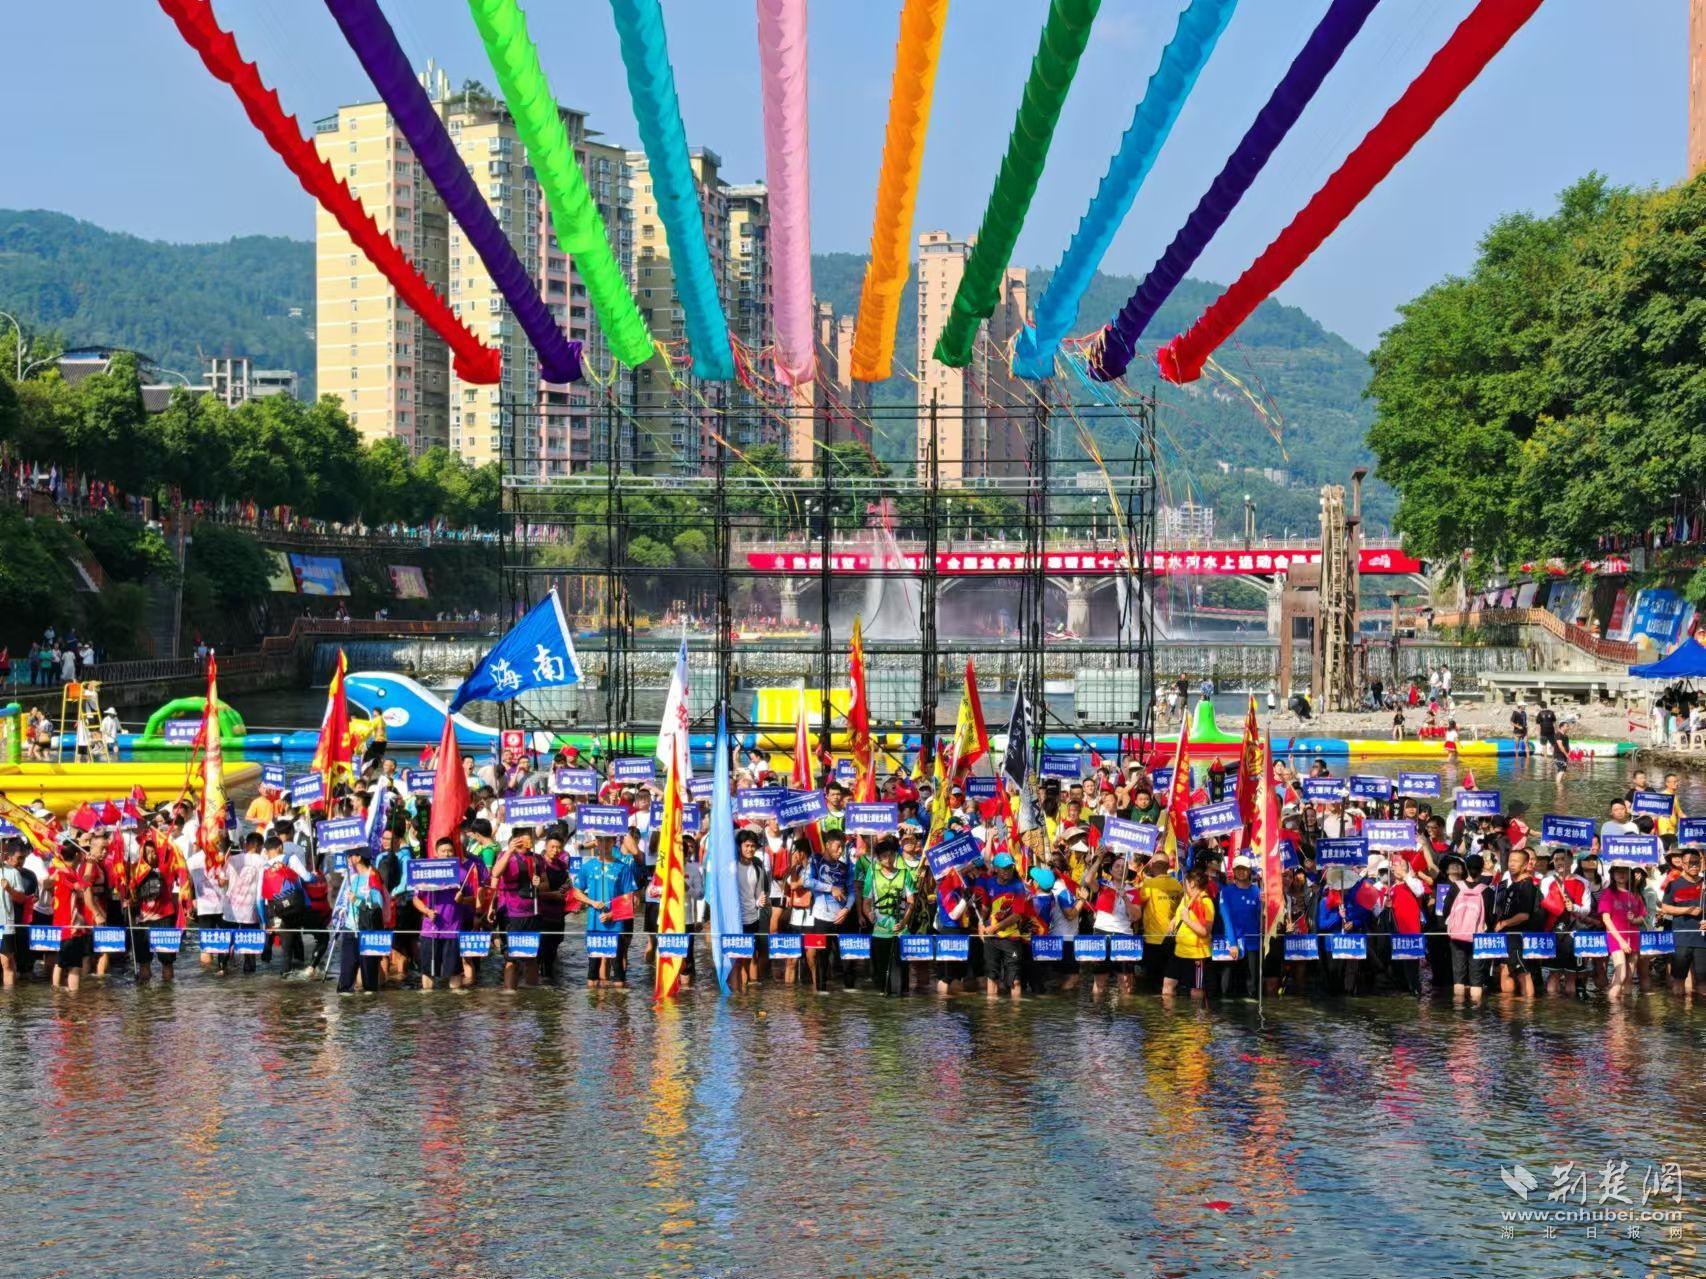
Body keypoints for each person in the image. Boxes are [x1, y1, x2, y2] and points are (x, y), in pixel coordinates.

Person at [573, 835, 636, 988]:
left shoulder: (623, 867)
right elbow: (576, 891)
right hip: (594, 926)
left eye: (608, 840)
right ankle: (596, 1009)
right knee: (592, 975)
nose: (604, 844)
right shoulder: (588, 866)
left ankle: (619, 1008)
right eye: (601, 840)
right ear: (596, 843)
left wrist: (613, 914)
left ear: (614, 842)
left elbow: (630, 899)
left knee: (618, 974)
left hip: (616, 927)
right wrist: (592, 902)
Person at [802, 830, 855, 993]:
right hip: (822, 917)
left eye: (843, 848)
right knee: (821, 958)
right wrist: (830, 888)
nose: (840, 851)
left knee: (847, 958)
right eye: (838, 846)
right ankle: (821, 993)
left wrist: (847, 909)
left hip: (842, 917)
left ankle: (850, 994)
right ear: (828, 844)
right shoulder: (815, 860)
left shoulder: (845, 867)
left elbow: (852, 891)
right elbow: (806, 881)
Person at [860, 836, 913, 996]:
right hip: (880, 931)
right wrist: (869, 915)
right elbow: (866, 902)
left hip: (900, 931)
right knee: (881, 972)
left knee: (902, 972)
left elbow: (911, 902)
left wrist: (904, 922)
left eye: (891, 855)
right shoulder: (873, 876)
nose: (888, 859)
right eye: (884, 856)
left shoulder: (905, 874)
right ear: (878, 858)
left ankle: (901, 1000)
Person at [1440, 854, 1492, 1005]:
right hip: (1478, 937)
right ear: (1482, 869)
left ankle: (1459, 1010)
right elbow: (1490, 917)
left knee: (1458, 975)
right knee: (1477, 977)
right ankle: (1476, 1013)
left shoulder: (1456, 887)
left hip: (1457, 936)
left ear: (1466, 869)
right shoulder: (1487, 891)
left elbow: (1445, 911)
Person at [337, 847, 387, 995]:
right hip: (350, 930)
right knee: (345, 978)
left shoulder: (373, 877)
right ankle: (346, 1014)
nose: (348, 859)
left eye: (350, 855)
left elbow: (378, 906)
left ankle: (370, 1011)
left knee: (369, 982)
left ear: (358, 858)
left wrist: (357, 901)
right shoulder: (353, 877)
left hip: (368, 932)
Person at [1491, 847, 1537, 998]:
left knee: (1523, 972)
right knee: (1505, 969)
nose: (1511, 864)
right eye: (1510, 861)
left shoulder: (1527, 885)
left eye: (1516, 862)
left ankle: (1528, 1011)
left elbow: (1524, 915)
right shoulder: (1512, 884)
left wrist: (1504, 924)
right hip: (1507, 936)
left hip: (1517, 936)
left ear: (1525, 865)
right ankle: (1508, 1008)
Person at [1164, 869, 1215, 1000]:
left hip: (1196, 955)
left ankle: (1196, 1019)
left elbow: (1205, 931)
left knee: (1195, 992)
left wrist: (1187, 919)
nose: (1183, 883)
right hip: (1179, 951)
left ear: (1192, 883)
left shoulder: (1205, 902)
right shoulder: (1186, 897)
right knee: (1167, 988)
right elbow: (1180, 913)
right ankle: (1168, 1018)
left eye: (1185, 881)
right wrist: (1174, 920)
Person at [1660, 849, 1706, 995]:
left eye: (1697, 863)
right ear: (1683, 865)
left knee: (1703, 981)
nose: (1694, 866)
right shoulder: (1674, 884)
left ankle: (1700, 1015)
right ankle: (1678, 1016)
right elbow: (1665, 907)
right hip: (1681, 938)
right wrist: (1686, 910)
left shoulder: (1705, 884)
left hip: (1702, 940)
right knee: (1678, 980)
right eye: (1691, 863)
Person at [1598, 862, 1645, 1001]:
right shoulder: (1608, 892)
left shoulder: (1635, 893)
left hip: (1634, 937)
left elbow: (1642, 918)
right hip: (1616, 937)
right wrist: (1621, 941)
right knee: (1621, 974)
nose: (1621, 874)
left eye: (1625, 871)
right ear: (1612, 874)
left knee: (1630, 977)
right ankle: (1613, 1011)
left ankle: (1627, 1011)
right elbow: (1606, 919)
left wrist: (1634, 919)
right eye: (1617, 871)